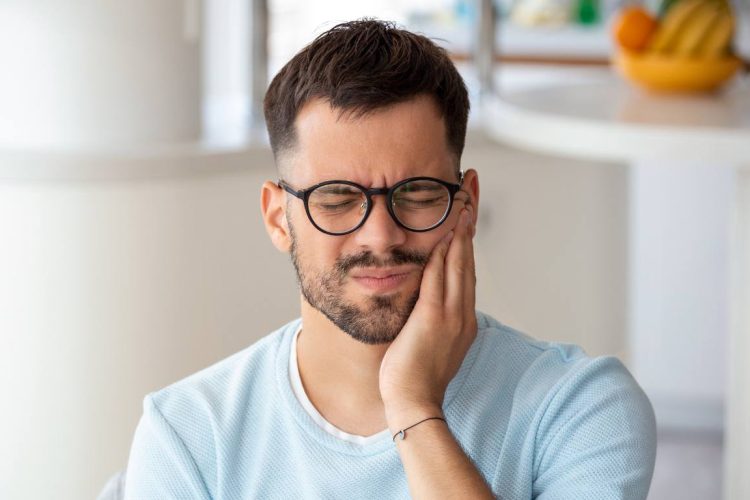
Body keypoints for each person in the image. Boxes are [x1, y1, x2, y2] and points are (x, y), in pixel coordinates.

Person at [124, 19, 656, 500]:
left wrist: (412, 407)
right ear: (277, 218)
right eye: (336, 198)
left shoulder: (581, 407)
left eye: (419, 194)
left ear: (466, 205)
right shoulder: (189, 434)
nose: (380, 235)